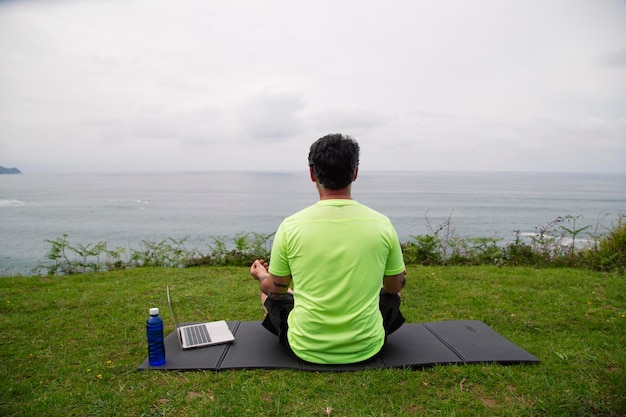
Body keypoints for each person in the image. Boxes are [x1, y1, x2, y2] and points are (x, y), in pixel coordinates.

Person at [250, 133, 406, 364]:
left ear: (312, 174)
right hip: (368, 346)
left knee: (268, 291)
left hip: (305, 346)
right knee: (393, 292)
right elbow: (393, 288)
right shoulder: (382, 224)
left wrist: (261, 275)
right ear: (355, 172)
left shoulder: (291, 226)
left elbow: (276, 291)